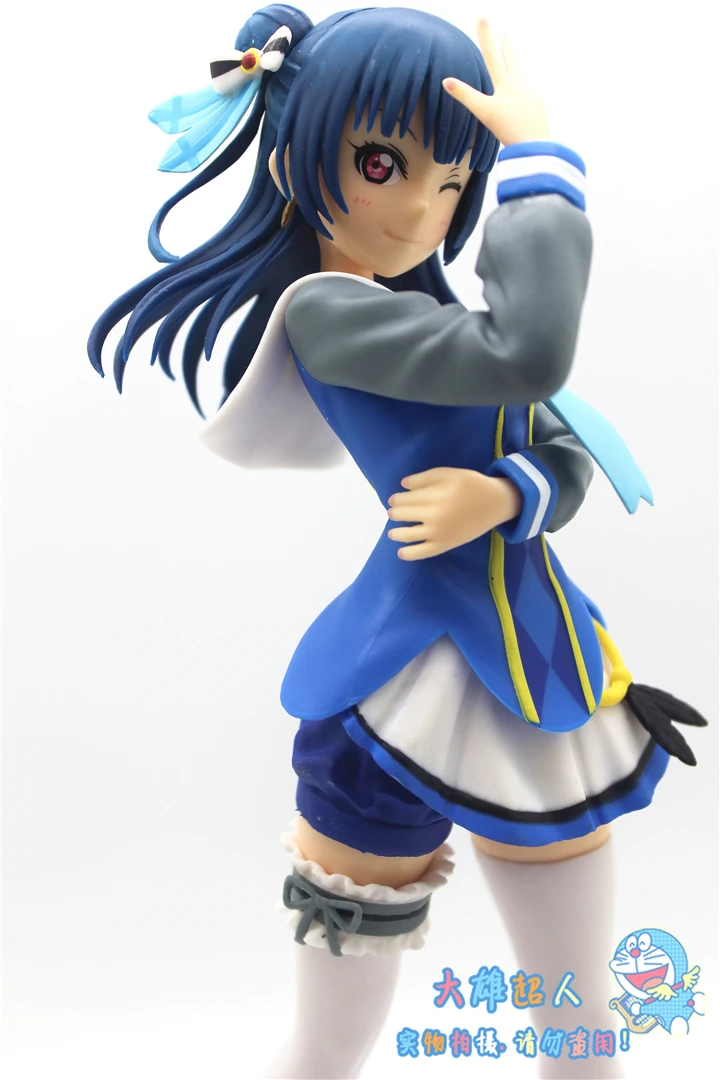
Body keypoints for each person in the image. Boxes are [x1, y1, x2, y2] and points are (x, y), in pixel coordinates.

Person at [88, 7, 706, 1078]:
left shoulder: (443, 317)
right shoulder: (328, 314)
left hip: (537, 671)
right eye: (385, 163)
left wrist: (506, 494)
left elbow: (565, 448)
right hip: (394, 690)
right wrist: (539, 159)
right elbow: (531, 356)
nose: (425, 207)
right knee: (332, 1043)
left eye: (456, 181)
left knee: (580, 1026)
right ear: (295, 157)